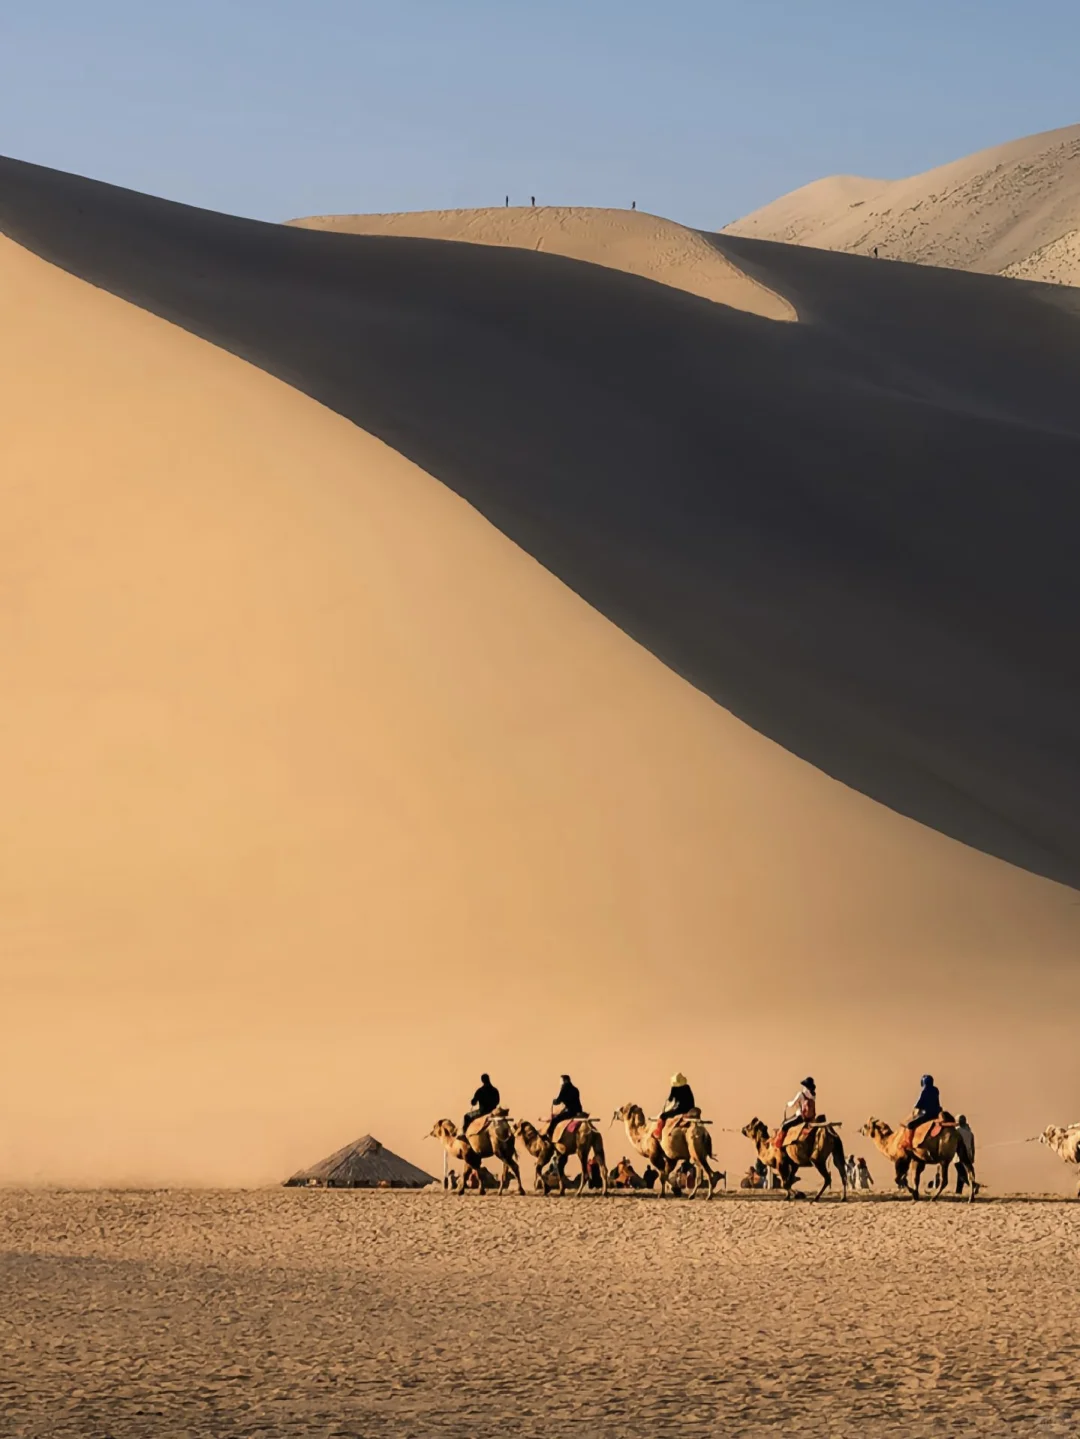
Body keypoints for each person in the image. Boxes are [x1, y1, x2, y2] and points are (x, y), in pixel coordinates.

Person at [901, 1074, 942, 1151]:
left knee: (910, 1125)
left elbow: (918, 1105)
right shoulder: (936, 1090)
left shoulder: (924, 1091)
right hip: (936, 1114)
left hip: (927, 1115)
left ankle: (909, 1144)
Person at [543, 1073, 585, 1140]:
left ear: (564, 1081)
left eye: (560, 1081)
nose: (560, 1083)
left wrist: (554, 1101)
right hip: (578, 1110)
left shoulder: (564, 1089)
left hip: (570, 1111)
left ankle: (549, 1136)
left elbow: (559, 1101)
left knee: (554, 1120)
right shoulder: (575, 1089)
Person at [655, 1072, 696, 1138]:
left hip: (680, 1110)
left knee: (663, 1116)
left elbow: (671, 1101)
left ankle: (658, 1133)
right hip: (689, 1109)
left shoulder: (674, 1089)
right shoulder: (687, 1087)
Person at [462, 1073, 500, 1138]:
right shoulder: (495, 1090)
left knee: (466, 1116)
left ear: (482, 1081)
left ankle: (464, 1135)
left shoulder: (480, 1091)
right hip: (493, 1111)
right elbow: (497, 1101)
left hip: (482, 1112)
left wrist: (473, 1101)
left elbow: (474, 1102)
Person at [955, 1115, 976, 1194]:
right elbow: (972, 1146)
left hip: (958, 1155)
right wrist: (973, 1156)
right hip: (968, 1154)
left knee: (961, 1173)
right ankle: (958, 1191)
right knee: (961, 1172)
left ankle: (973, 1185)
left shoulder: (956, 1131)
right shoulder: (970, 1132)